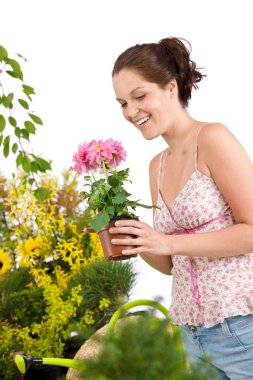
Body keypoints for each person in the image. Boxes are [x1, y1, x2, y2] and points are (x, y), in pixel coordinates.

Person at [109, 37, 253, 379]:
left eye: (139, 96)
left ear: (171, 87)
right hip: (191, 337)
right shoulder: (155, 166)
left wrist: (169, 242)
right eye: (122, 103)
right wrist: (135, 238)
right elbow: (173, 264)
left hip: (242, 329)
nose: (130, 112)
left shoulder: (213, 139)